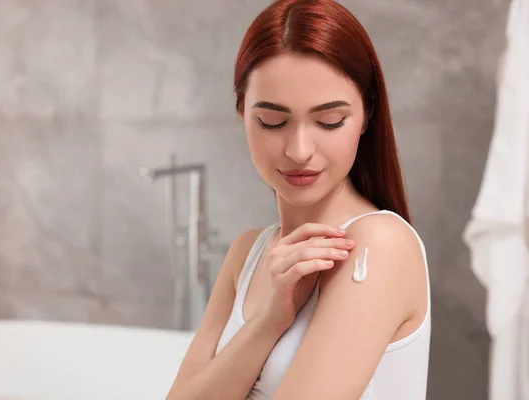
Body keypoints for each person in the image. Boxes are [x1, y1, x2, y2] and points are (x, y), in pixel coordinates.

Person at [166, 0, 431, 399]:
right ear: (242, 111)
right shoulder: (246, 254)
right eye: (273, 121)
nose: (299, 150)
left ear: (367, 115)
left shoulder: (378, 246)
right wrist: (268, 321)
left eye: (329, 121)